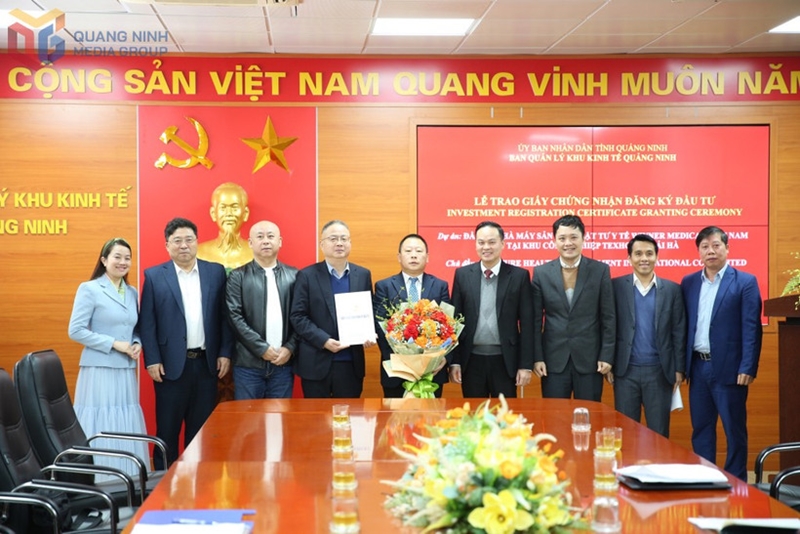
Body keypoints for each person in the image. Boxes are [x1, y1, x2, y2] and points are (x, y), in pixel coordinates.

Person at [139, 217, 234, 469]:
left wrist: (225, 352)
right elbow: (147, 323)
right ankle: (163, 482)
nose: (184, 245)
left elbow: (225, 317)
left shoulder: (215, 272)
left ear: (197, 242)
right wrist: (152, 359)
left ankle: (196, 480)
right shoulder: (154, 276)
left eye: (189, 240)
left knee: (200, 431)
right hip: (169, 368)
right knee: (167, 431)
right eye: (177, 241)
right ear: (167, 245)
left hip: (206, 365)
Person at [681, 226, 762, 481]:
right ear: (699, 252)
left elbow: (751, 327)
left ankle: (736, 481)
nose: (711, 251)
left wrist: (748, 366)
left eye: (716, 245)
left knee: (733, 429)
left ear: (727, 248)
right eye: (705, 247)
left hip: (730, 368)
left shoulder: (745, 282)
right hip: (698, 367)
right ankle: (705, 478)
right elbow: (684, 326)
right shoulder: (689, 282)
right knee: (701, 428)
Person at [68, 237, 149, 478]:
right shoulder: (89, 289)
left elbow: (135, 328)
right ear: (104, 260)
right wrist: (113, 344)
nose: (123, 262)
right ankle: (101, 479)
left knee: (124, 420)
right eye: (117, 257)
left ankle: (128, 478)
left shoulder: (131, 292)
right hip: (99, 369)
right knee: (102, 422)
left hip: (125, 369)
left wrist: (137, 343)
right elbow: (75, 330)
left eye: (127, 258)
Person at [532, 214, 615, 401]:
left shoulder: (600, 271)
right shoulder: (541, 273)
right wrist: (537, 357)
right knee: (554, 415)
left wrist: (607, 355)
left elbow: (608, 317)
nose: (568, 243)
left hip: (590, 361)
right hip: (553, 362)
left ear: (583, 239)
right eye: (562, 238)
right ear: (554, 241)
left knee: (588, 414)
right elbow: (535, 321)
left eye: (573, 237)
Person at [610, 234, 686, 437]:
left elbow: (678, 331)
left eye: (649, 253)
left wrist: (679, 368)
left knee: (659, 433)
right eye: (638, 254)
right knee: (626, 432)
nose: (644, 258)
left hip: (659, 372)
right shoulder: (615, 287)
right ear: (629, 258)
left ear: (657, 257)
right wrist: (608, 361)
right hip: (625, 372)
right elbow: (608, 326)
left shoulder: (672, 290)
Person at [290, 220, 376, 398]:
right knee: (317, 415)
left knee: (349, 414)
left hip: (350, 363)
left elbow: (369, 311)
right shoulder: (306, 275)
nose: (339, 243)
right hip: (316, 361)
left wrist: (369, 333)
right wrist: (324, 340)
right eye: (333, 239)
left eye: (344, 239)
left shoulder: (363, 275)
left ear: (350, 243)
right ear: (322, 244)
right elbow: (298, 316)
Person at [449, 221, 533, 398]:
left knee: (504, 412)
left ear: (502, 244)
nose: (486, 247)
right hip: (471, 360)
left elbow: (527, 324)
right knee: (473, 412)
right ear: (475, 244)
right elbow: (454, 321)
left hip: (505, 360)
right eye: (481, 242)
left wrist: (525, 365)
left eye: (492, 242)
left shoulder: (519, 276)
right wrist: (455, 362)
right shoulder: (462, 275)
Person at [226, 220, 299, 399]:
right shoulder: (237, 276)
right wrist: (261, 348)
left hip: (283, 364)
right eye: (260, 237)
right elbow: (234, 317)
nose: (265, 241)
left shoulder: (295, 276)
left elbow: (301, 317)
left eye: (270, 236)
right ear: (250, 243)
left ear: (280, 242)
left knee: (280, 415)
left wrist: (290, 348)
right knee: (248, 416)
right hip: (248, 366)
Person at [374, 234, 451, 398]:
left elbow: (448, 326)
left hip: (432, 370)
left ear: (427, 257)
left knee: (431, 414)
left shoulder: (440, 286)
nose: (414, 255)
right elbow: (379, 325)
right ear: (399, 257)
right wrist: (401, 358)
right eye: (408, 251)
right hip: (396, 370)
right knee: (395, 414)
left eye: (419, 251)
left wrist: (440, 358)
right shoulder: (384, 286)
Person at [196, 182, 252, 270]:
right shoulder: (198, 253)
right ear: (213, 213)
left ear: (245, 214)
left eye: (234, 208)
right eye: (223, 208)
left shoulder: (257, 254)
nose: (228, 213)